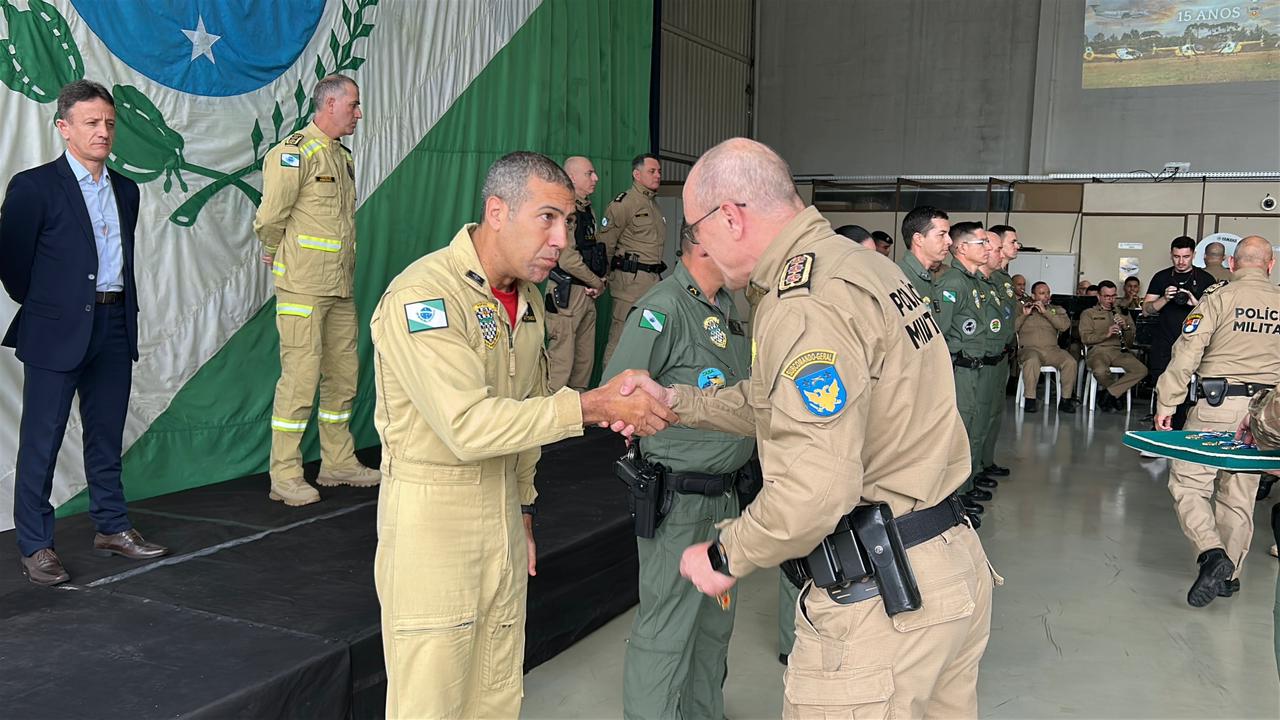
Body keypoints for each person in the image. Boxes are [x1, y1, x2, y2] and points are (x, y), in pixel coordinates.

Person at [626, 137, 994, 717]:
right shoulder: (863, 267)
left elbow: (815, 492)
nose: (699, 246)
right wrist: (679, 401)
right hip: (948, 565)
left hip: (883, 600)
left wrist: (724, 555)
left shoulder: (805, 303)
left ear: (731, 217)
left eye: (697, 229)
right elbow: (783, 402)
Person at [368, 151, 678, 719]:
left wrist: (524, 510)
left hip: (504, 521)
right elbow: (467, 426)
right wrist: (588, 406)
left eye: (567, 221)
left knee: (497, 692)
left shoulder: (527, 299)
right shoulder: (426, 296)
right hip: (436, 524)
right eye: (547, 219)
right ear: (497, 212)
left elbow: (525, 414)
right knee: (431, 701)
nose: (561, 240)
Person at [0, 79, 169, 585]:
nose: (103, 132)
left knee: (106, 434)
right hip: (56, 329)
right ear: (64, 127)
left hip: (114, 325)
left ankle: (112, 527)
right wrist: (53, 308)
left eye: (109, 123)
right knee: (42, 440)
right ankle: (36, 545)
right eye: (92, 122)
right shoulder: (34, 187)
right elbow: (13, 266)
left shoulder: (126, 189)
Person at [602, 225, 755, 720]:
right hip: (680, 500)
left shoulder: (727, 308)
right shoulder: (663, 307)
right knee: (667, 628)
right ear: (706, 244)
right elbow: (618, 393)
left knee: (714, 626)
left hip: (726, 498)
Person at [253, 74, 379, 506]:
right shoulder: (293, 153)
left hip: (339, 285)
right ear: (329, 105)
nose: (359, 113)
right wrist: (273, 249)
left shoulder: (340, 156)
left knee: (343, 377)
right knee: (300, 379)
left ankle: (337, 461)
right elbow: (270, 217)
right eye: (353, 105)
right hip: (303, 286)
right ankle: (285, 475)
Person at [1156, 236, 1280, 606]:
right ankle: (1229, 577)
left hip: (1217, 406)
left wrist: (1167, 402)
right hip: (1265, 415)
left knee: (1189, 483)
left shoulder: (1218, 297)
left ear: (1232, 264)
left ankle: (1211, 553)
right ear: (1270, 265)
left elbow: (1187, 352)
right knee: (1239, 494)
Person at [934, 221, 998, 513]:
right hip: (957, 368)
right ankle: (952, 497)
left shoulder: (972, 282)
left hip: (974, 367)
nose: (987, 248)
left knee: (970, 426)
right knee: (957, 432)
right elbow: (940, 332)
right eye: (981, 242)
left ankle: (962, 489)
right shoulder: (953, 283)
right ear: (961, 248)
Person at [545, 155, 607, 391]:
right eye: (589, 173)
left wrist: (599, 280)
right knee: (561, 364)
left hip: (586, 293)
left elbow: (592, 249)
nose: (596, 178)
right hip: (567, 294)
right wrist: (597, 282)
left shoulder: (586, 210)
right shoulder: (564, 210)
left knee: (583, 364)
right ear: (571, 177)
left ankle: (577, 412)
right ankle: (551, 413)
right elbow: (567, 258)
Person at [1142, 236, 1217, 429]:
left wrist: (1195, 303)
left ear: (1194, 255)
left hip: (1192, 344)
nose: (1181, 261)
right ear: (1171, 255)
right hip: (1164, 342)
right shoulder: (1161, 277)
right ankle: (1158, 430)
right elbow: (1146, 310)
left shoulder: (1206, 279)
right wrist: (1165, 298)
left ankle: (1180, 431)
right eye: (1176, 257)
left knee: (1188, 389)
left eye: (1186, 257)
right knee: (1161, 387)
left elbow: (1214, 315)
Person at [601, 153, 667, 362]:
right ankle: (609, 381)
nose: (658, 175)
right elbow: (606, 245)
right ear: (637, 175)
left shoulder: (653, 205)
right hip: (629, 286)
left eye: (659, 171)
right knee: (620, 338)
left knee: (647, 337)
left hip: (652, 284)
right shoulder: (624, 204)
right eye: (652, 171)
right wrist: (602, 277)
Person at [980, 226, 1020, 480]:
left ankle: (986, 461)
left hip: (1003, 352)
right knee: (981, 415)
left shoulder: (1004, 278)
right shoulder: (988, 277)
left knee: (995, 413)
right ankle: (975, 468)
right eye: (1013, 242)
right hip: (986, 355)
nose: (1017, 246)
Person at [1080, 280, 1147, 411]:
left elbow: (1131, 341)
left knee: (1141, 370)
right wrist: (1106, 334)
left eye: (1113, 296)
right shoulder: (1088, 313)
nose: (1110, 300)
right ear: (1098, 296)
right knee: (1100, 371)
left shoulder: (1122, 312)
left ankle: (1109, 394)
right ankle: (1117, 395)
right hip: (1098, 351)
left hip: (1119, 351)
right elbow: (1085, 338)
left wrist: (1126, 327)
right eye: (1106, 296)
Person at [1015, 282, 1077, 413]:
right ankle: (1030, 399)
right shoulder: (1020, 308)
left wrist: (1046, 312)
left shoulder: (1056, 309)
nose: (1047, 296)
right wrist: (1024, 315)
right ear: (1033, 296)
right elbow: (1011, 328)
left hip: (1052, 350)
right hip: (1029, 349)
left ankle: (1065, 400)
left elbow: (1064, 326)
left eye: (1048, 293)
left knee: (1070, 362)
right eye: (1042, 293)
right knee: (1032, 360)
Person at [897, 206, 952, 304]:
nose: (950, 241)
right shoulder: (900, 277)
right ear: (918, 239)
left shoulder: (928, 275)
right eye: (941, 235)